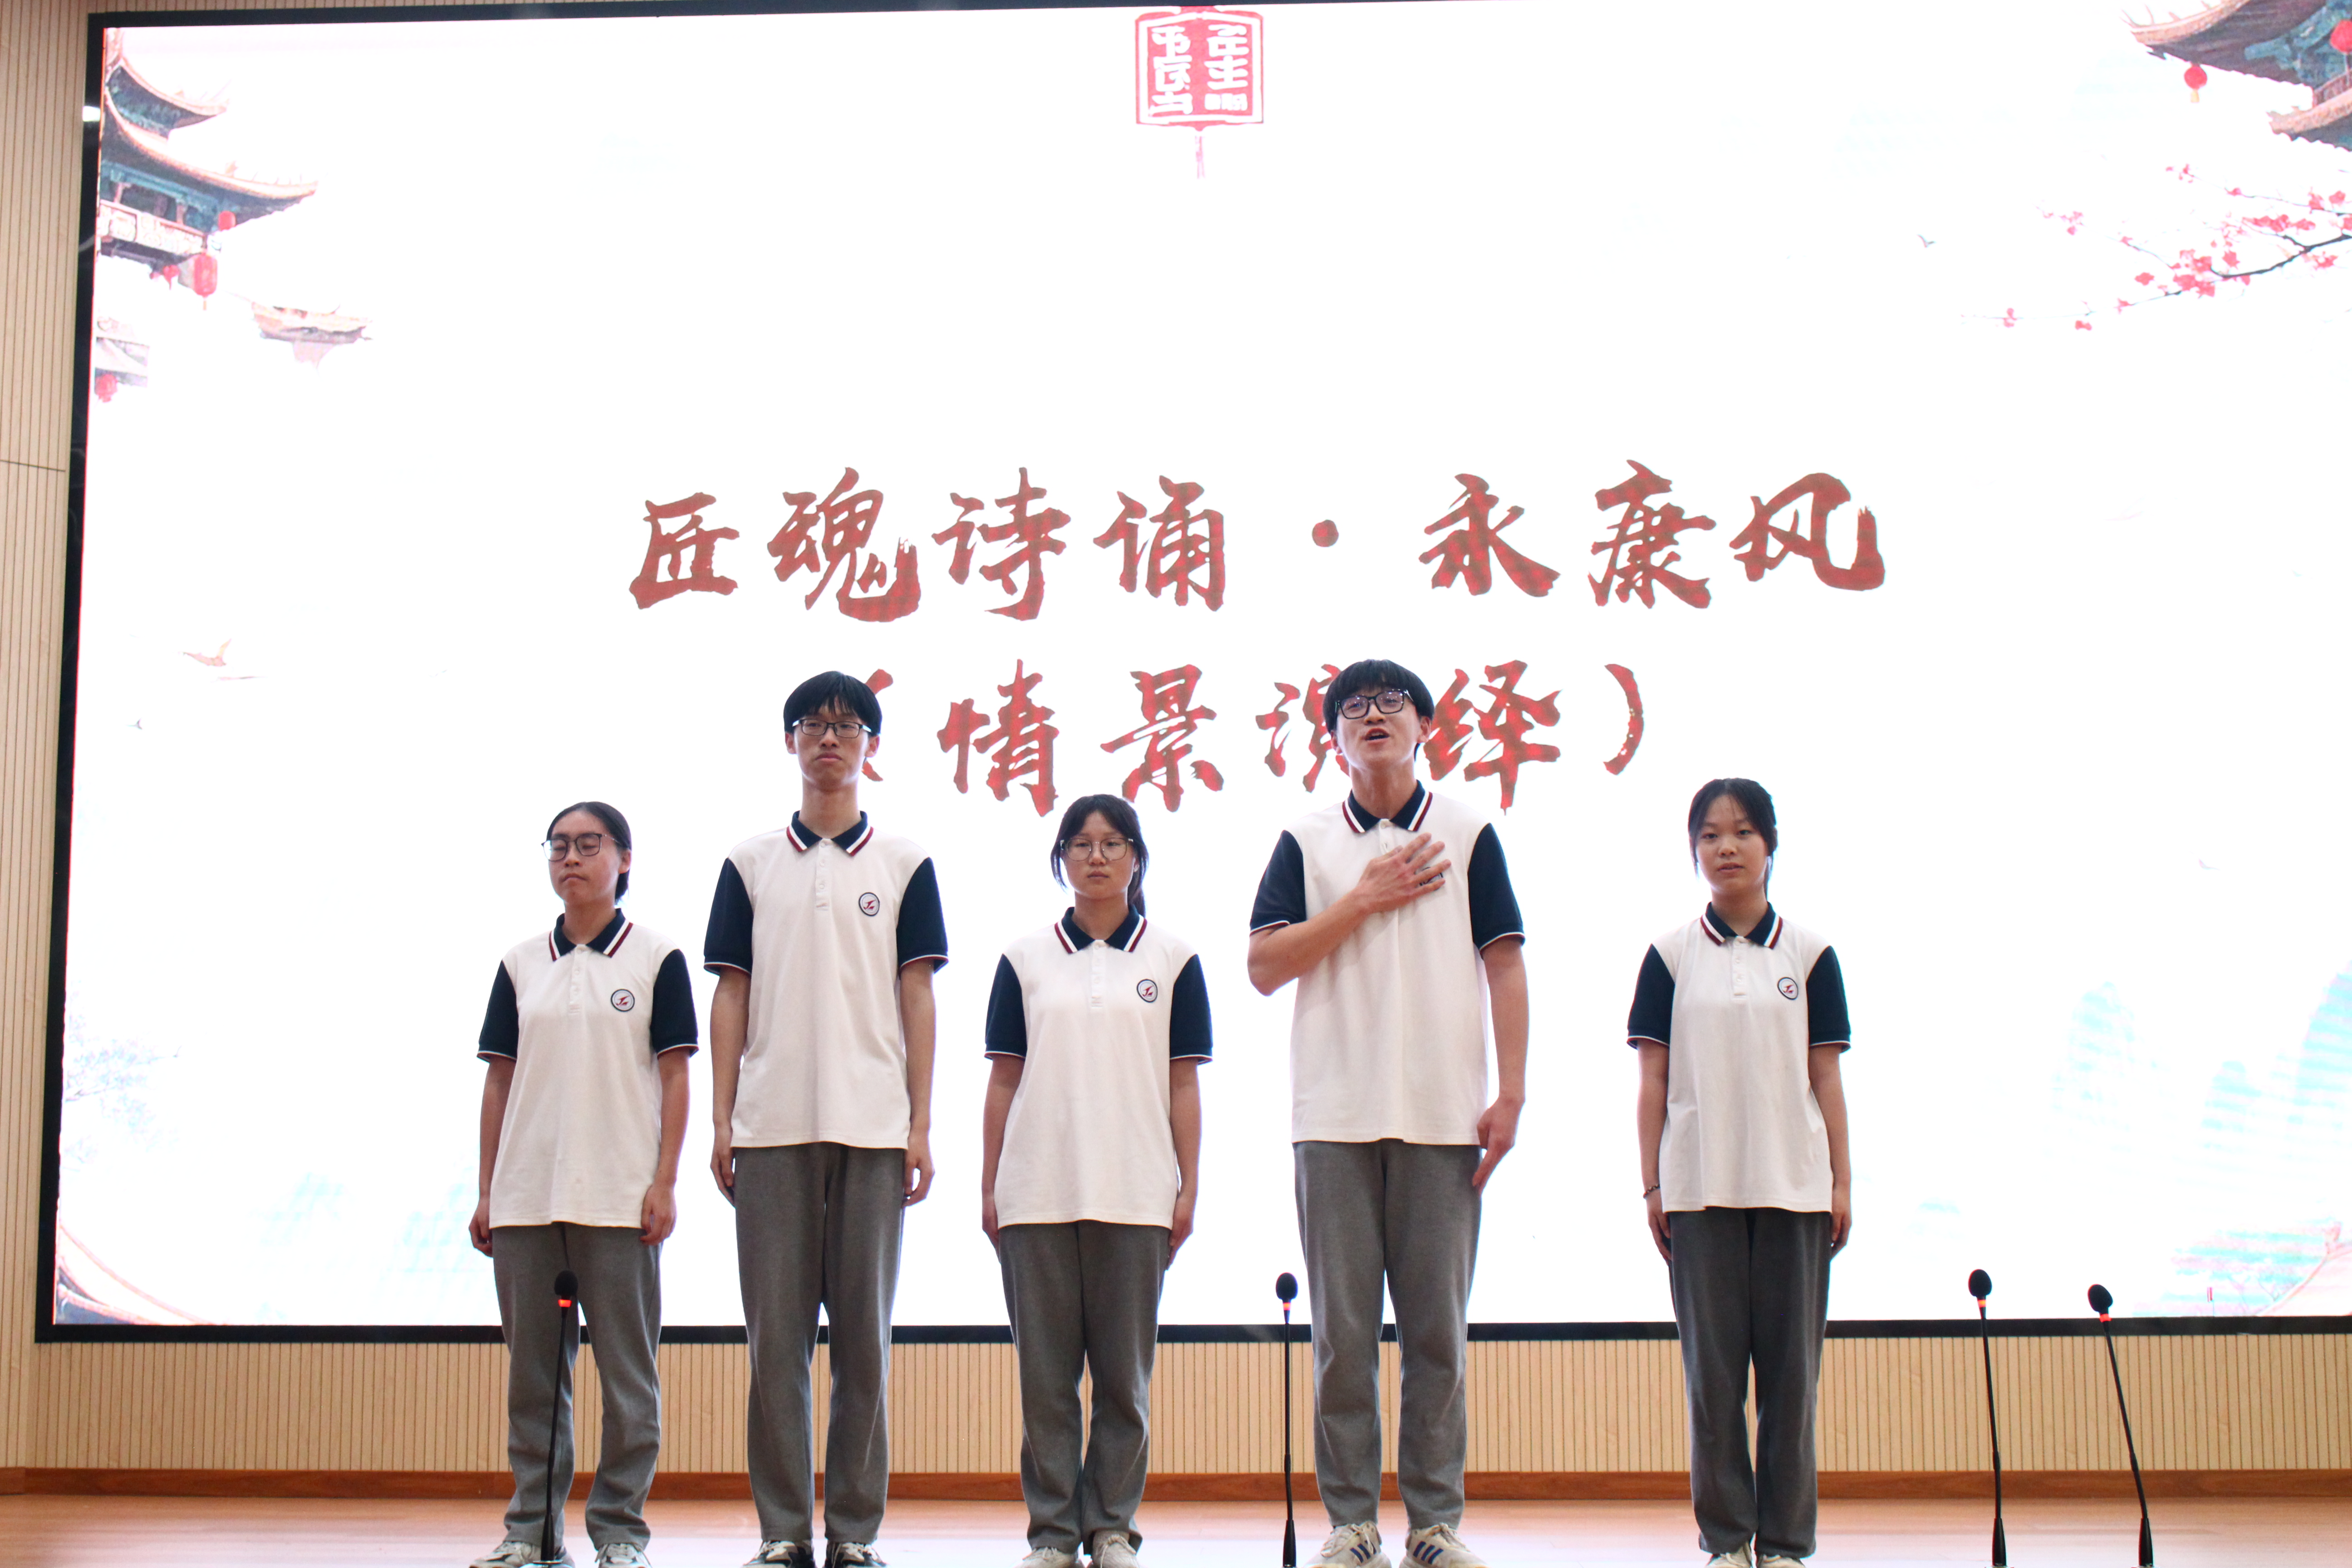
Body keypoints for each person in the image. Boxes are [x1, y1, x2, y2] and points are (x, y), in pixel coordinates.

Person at [1245, 658, 1529, 1568]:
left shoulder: (1468, 831)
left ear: (1424, 725)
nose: (1373, 716)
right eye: (1354, 708)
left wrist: (1511, 1092)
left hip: (1444, 1118)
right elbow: (1264, 966)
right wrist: (1362, 899)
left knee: (1438, 1336)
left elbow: (1505, 962)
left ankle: (1435, 1524)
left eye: (1391, 703)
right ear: (1334, 738)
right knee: (1343, 1339)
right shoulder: (1306, 840)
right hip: (1333, 1116)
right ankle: (1353, 1522)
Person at [705, 671, 948, 1568]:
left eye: (848, 726)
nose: (830, 740)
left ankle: (853, 1532)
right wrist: (723, 1121)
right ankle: (782, 1532)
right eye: (813, 725)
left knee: (864, 1347)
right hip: (770, 1130)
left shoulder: (906, 863)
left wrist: (921, 1124)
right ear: (791, 742)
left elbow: (917, 998)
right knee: (776, 1347)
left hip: (874, 1131)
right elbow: (731, 996)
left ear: (871, 747)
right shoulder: (749, 863)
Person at [1626, 778, 1853, 1568]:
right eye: (1711, 835)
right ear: (1694, 851)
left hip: (1795, 1191)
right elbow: (1652, 1082)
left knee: (1791, 1385)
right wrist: (1653, 1185)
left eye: (1744, 832)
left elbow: (1827, 1077)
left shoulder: (1811, 954)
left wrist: (1842, 1183)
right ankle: (1726, 1542)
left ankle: (1785, 1545)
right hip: (1700, 1194)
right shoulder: (1669, 956)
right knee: (1713, 1384)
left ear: (1771, 845)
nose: (1727, 847)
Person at [980, 795, 1210, 1568]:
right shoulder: (1023, 959)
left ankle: (1111, 1527)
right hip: (1037, 1194)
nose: (1098, 857)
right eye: (1080, 844)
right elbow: (1004, 1080)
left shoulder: (1174, 960)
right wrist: (991, 1185)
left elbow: (1183, 1084)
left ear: (1137, 858)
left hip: (1136, 1195)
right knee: (1046, 1385)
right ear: (1061, 861)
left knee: (1123, 1384)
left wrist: (1188, 1186)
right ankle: (1052, 1534)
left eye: (1113, 844)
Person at [468, 802, 697, 1568]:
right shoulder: (519, 964)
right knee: (535, 1382)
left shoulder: (657, 958)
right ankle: (531, 1534)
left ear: (624, 859)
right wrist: (488, 1191)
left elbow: (675, 1076)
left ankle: (621, 1534)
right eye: (559, 845)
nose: (571, 857)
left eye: (589, 844)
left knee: (629, 1380)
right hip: (527, 1200)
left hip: (620, 1200)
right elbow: (499, 1082)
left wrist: (664, 1181)